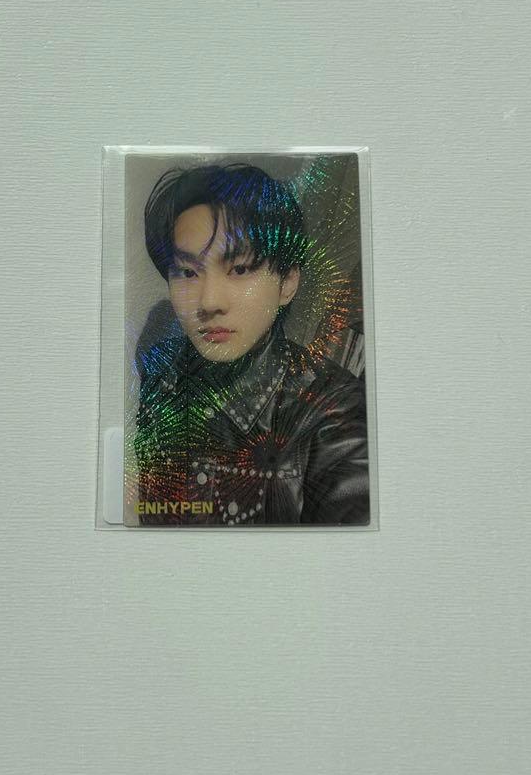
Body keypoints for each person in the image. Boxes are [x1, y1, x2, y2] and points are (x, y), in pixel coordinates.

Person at [133, 163, 369, 526]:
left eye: (240, 269)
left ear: (287, 283)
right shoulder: (163, 378)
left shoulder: (335, 416)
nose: (208, 302)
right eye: (187, 272)